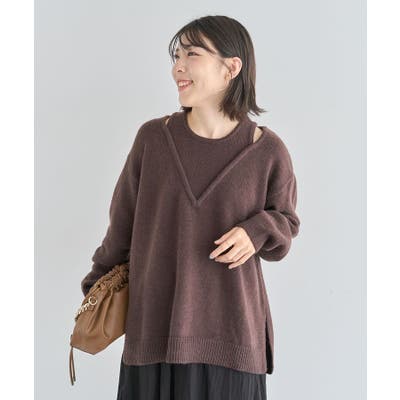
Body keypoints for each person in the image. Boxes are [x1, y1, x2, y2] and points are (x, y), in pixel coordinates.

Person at [81, 15, 300, 400]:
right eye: (176, 56)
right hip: (155, 334)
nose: (177, 67)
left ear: (231, 67)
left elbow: (285, 224)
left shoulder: (267, 151)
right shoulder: (153, 139)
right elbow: (121, 228)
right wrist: (95, 290)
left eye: (192, 54)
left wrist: (257, 230)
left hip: (231, 340)